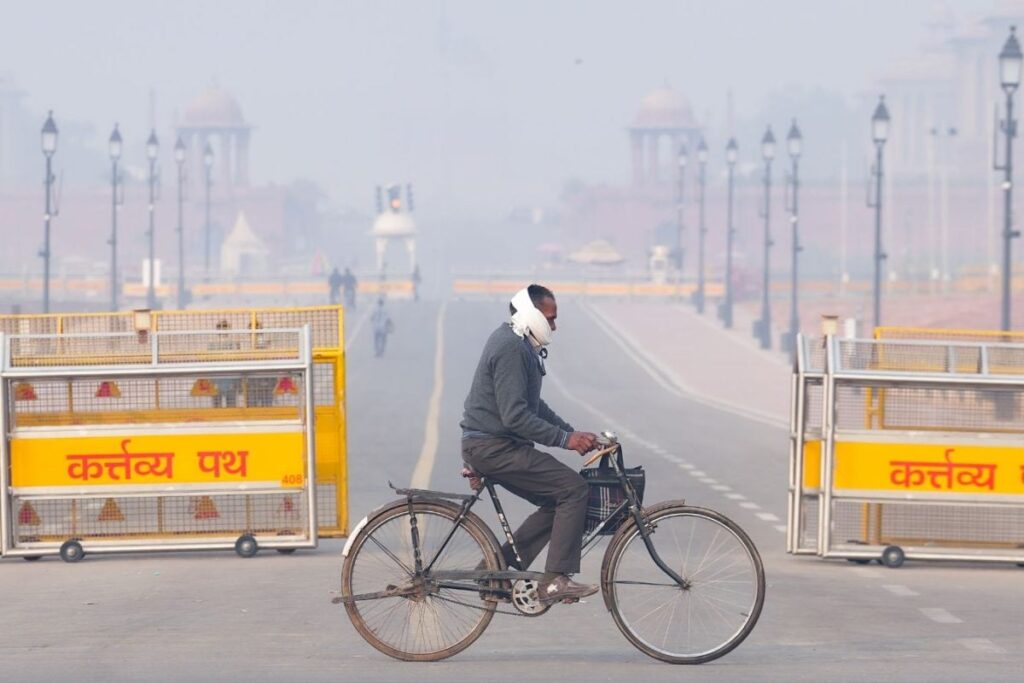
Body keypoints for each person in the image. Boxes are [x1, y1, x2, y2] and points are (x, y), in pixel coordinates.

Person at [460, 284, 600, 604]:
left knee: (557, 500)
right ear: (530, 314)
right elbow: (516, 417)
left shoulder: (522, 345)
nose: (554, 326)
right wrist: (566, 440)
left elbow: (534, 406)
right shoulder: (511, 347)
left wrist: (573, 433)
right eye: (550, 318)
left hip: (493, 445)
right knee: (573, 489)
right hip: (494, 447)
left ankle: (492, 572)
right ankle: (555, 581)